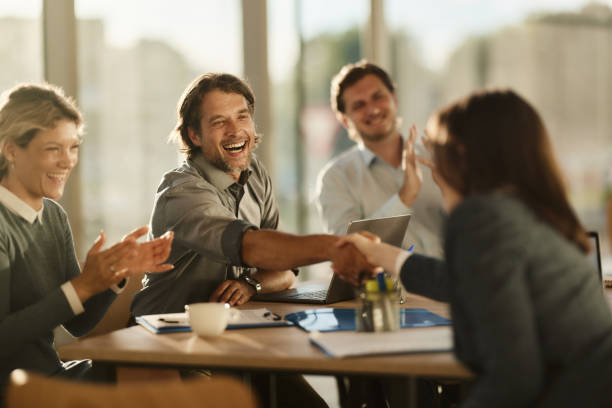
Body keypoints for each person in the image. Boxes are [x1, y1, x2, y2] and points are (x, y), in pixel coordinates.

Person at [337, 89, 612, 407]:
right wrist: (382, 255)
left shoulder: (481, 216)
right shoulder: (530, 208)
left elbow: (513, 379)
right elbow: (473, 282)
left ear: (465, 155)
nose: (434, 162)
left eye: (438, 150)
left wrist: (455, 198)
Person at [131, 72, 373, 317]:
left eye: (242, 117)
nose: (235, 131)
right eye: (219, 122)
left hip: (223, 332)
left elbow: (285, 268)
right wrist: (334, 247)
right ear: (194, 135)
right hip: (162, 339)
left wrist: (251, 284)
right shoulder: (181, 192)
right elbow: (250, 247)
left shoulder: (254, 173)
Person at [0, 83, 174, 389]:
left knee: (160, 371)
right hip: (15, 391)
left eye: (73, 147)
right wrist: (82, 286)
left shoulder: (53, 217)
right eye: (53, 148)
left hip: (50, 376)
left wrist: (110, 277)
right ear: (11, 148)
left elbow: (78, 324)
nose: (68, 161)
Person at [316, 60, 445, 256]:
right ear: (344, 121)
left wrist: (455, 192)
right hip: (390, 287)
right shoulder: (335, 178)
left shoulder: (438, 158)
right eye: (359, 105)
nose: (372, 109)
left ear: (394, 99)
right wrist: (404, 197)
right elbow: (349, 252)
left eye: (378, 97)